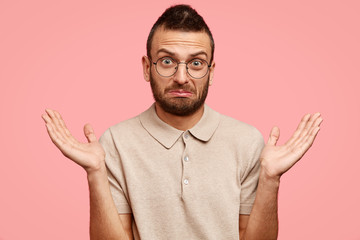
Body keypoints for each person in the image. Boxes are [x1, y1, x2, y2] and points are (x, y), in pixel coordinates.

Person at [42, 4, 322, 240]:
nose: (181, 77)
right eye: (167, 61)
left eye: (196, 63)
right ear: (146, 67)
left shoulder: (247, 141)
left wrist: (271, 179)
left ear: (211, 72)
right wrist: (95, 172)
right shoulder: (115, 142)